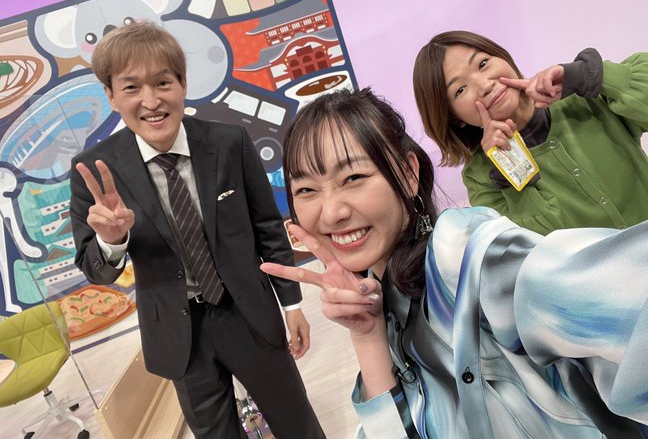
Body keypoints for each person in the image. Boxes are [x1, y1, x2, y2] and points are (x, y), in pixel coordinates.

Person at [261, 87, 648, 438]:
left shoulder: (463, 255)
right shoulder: (385, 303)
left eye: (353, 177)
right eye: (306, 189)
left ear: (408, 174)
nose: (331, 212)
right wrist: (366, 335)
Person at [69, 22, 324, 438]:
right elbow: (96, 269)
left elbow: (267, 228)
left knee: (298, 426)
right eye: (131, 87)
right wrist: (112, 240)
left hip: (248, 313)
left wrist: (292, 304)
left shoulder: (229, 142)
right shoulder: (95, 171)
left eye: (162, 82)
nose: (151, 101)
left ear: (183, 83)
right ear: (111, 96)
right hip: (178, 333)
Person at [413, 30, 648, 234]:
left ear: (502, 56)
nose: (485, 85)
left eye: (483, 64)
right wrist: (509, 165)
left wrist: (587, 76)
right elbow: (538, 248)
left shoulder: (581, 99)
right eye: (461, 89)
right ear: (454, 118)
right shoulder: (483, 178)